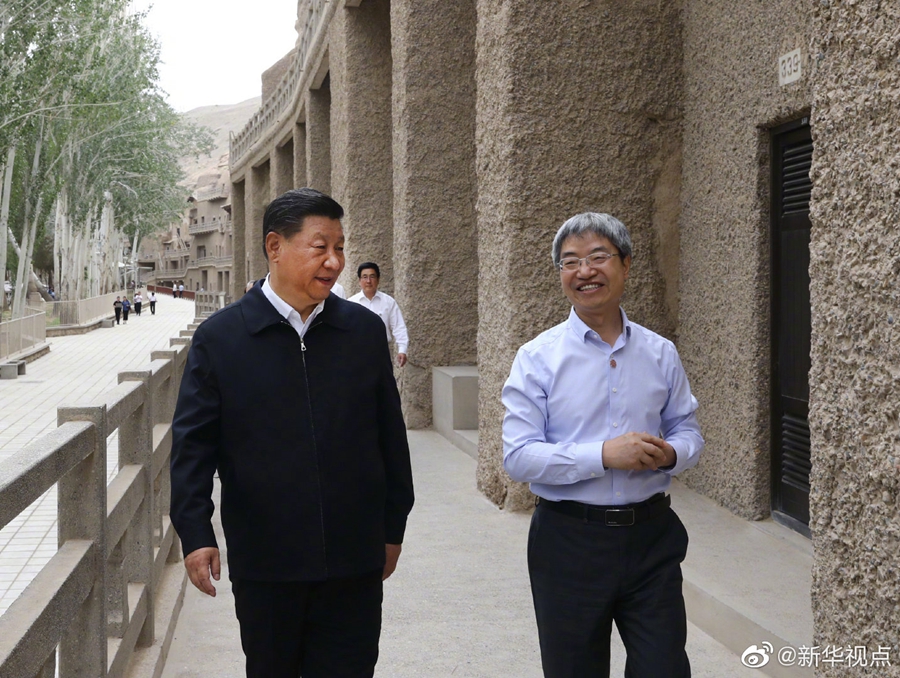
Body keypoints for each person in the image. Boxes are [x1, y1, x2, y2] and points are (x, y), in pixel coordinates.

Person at [170, 187, 414, 678]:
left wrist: (392, 528)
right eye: (320, 247)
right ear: (275, 247)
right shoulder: (222, 338)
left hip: (354, 558)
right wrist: (195, 533)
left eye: (339, 248)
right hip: (266, 562)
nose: (334, 261)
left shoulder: (363, 332)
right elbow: (193, 447)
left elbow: (391, 438)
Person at [502, 212, 704, 678]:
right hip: (568, 541)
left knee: (664, 668)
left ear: (626, 265)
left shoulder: (660, 352)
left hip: (651, 539)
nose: (585, 271)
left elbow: (688, 430)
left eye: (598, 257)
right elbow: (518, 456)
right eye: (570, 262)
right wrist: (603, 455)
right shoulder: (536, 358)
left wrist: (672, 454)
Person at [347, 262, 409, 367]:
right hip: (357, 354)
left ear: (378, 279)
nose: (368, 281)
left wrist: (402, 349)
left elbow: (399, 327)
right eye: (364, 277)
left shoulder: (388, 302)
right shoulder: (351, 303)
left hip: (381, 353)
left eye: (372, 276)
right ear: (359, 280)